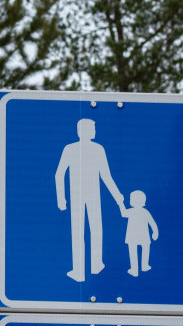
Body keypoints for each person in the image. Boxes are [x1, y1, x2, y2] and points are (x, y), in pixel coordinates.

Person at [54, 119, 125, 282]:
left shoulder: (97, 149)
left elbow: (106, 176)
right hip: (80, 195)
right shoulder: (72, 149)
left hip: (87, 195)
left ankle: (92, 266)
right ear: (83, 131)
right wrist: (61, 199)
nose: (95, 131)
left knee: (90, 230)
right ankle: (87, 268)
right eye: (92, 128)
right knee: (87, 230)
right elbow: (59, 174)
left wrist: (117, 195)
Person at [121, 190, 158, 276]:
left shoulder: (131, 211)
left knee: (132, 251)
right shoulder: (145, 212)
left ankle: (134, 269)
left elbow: (123, 213)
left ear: (133, 201)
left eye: (131, 199)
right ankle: (144, 265)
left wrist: (121, 203)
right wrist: (155, 232)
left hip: (132, 236)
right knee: (146, 249)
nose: (130, 200)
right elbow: (152, 223)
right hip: (143, 236)